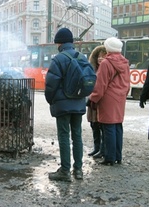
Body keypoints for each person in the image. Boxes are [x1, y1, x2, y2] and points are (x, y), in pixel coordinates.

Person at [45, 28, 93, 181]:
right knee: (77, 135)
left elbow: (51, 85)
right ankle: (78, 170)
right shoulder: (82, 57)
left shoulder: (58, 59)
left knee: (64, 136)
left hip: (63, 105)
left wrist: (51, 100)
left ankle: (65, 171)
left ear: (59, 43)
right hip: (78, 102)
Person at [88, 37, 130, 166]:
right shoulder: (125, 62)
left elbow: (100, 85)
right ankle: (118, 156)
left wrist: (92, 98)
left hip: (108, 98)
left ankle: (109, 158)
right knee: (118, 126)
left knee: (108, 127)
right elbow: (128, 84)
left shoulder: (106, 63)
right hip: (120, 98)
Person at [87, 45, 107, 158]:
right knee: (93, 124)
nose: (100, 58)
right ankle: (97, 147)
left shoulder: (105, 69)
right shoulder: (92, 69)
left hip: (100, 101)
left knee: (102, 126)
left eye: (103, 56)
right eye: (99, 56)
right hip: (92, 101)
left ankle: (102, 149)